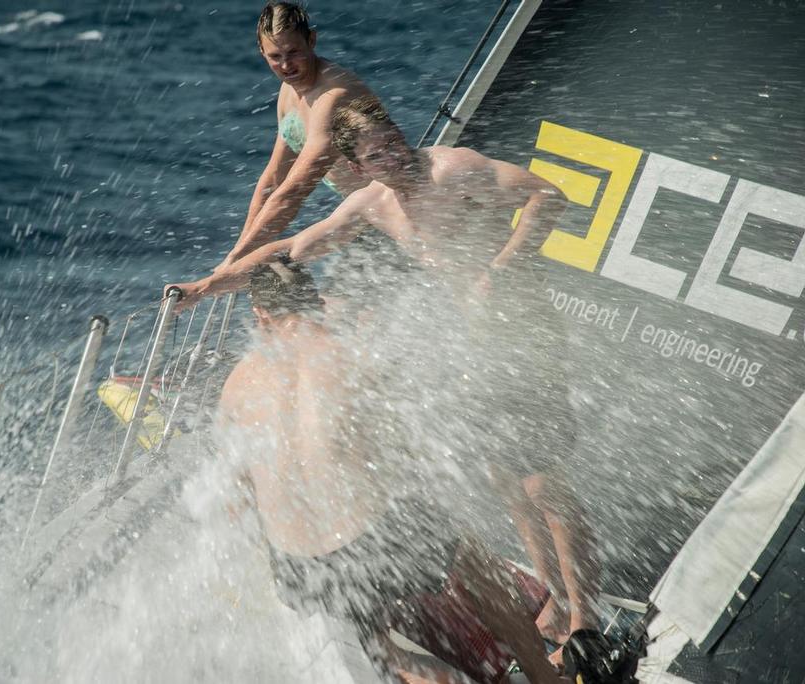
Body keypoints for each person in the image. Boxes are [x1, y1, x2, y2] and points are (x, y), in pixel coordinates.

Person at [173, 94, 602, 671]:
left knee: (541, 481)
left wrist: (501, 269)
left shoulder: (454, 169)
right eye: (379, 156)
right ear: (356, 168)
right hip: (475, 346)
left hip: (524, 333)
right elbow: (291, 249)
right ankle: (551, 603)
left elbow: (549, 196)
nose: (397, 159)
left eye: (396, 144)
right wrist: (207, 286)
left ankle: (586, 619)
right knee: (504, 478)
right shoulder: (372, 205)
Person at [216, 259, 569, 684]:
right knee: (480, 569)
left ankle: (410, 668)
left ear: (262, 315)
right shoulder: (346, 355)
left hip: (297, 564)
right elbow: (402, 451)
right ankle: (545, 679)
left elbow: (237, 490)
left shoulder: (236, 383)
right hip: (368, 541)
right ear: (316, 301)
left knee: (379, 644)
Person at [215, 2, 383, 271]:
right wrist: (240, 248)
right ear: (262, 52)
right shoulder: (289, 92)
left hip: (392, 212)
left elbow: (294, 191)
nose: (285, 65)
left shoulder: (334, 96)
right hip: (360, 217)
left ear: (312, 40)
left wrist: (234, 264)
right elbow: (273, 179)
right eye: (275, 56)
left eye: (293, 52)